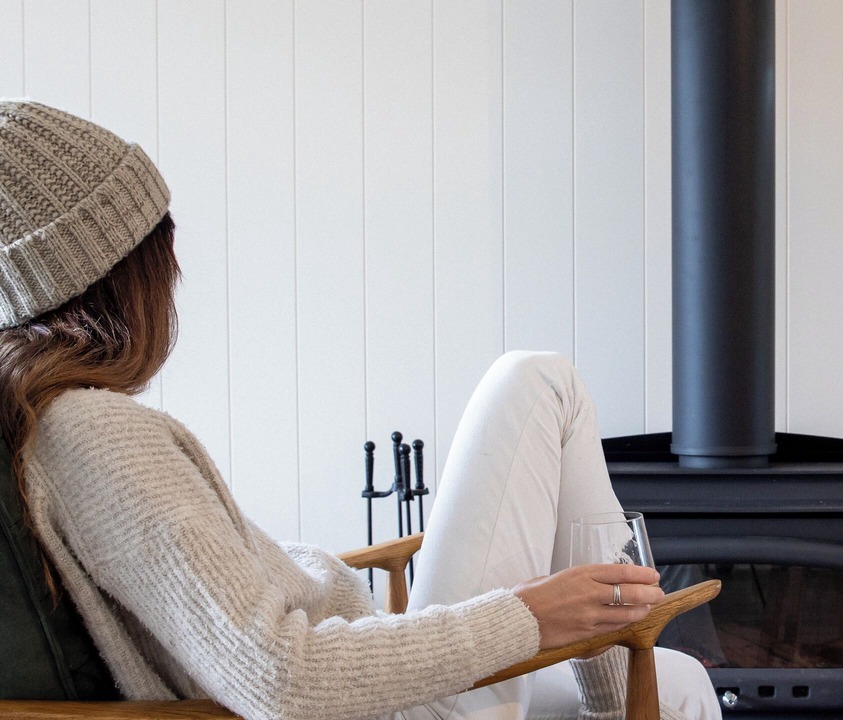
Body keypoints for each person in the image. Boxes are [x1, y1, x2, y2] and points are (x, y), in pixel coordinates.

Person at [0, 100, 719, 720]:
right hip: (400, 710)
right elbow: (276, 674)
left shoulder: (55, 429)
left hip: (380, 683)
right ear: (119, 272)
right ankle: (616, 665)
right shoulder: (94, 432)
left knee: (681, 682)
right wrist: (535, 614)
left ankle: (617, 671)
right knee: (538, 381)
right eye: (161, 250)